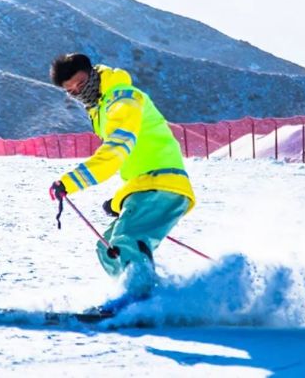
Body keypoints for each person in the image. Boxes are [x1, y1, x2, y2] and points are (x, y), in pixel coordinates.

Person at [48, 53, 195, 299]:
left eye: (82, 84)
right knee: (107, 249)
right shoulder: (101, 108)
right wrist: (118, 201)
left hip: (163, 183)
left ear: (93, 72)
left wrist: (69, 182)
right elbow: (135, 160)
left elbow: (118, 148)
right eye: (72, 91)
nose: (80, 92)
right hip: (145, 185)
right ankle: (142, 295)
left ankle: (141, 298)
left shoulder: (123, 98)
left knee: (128, 239)